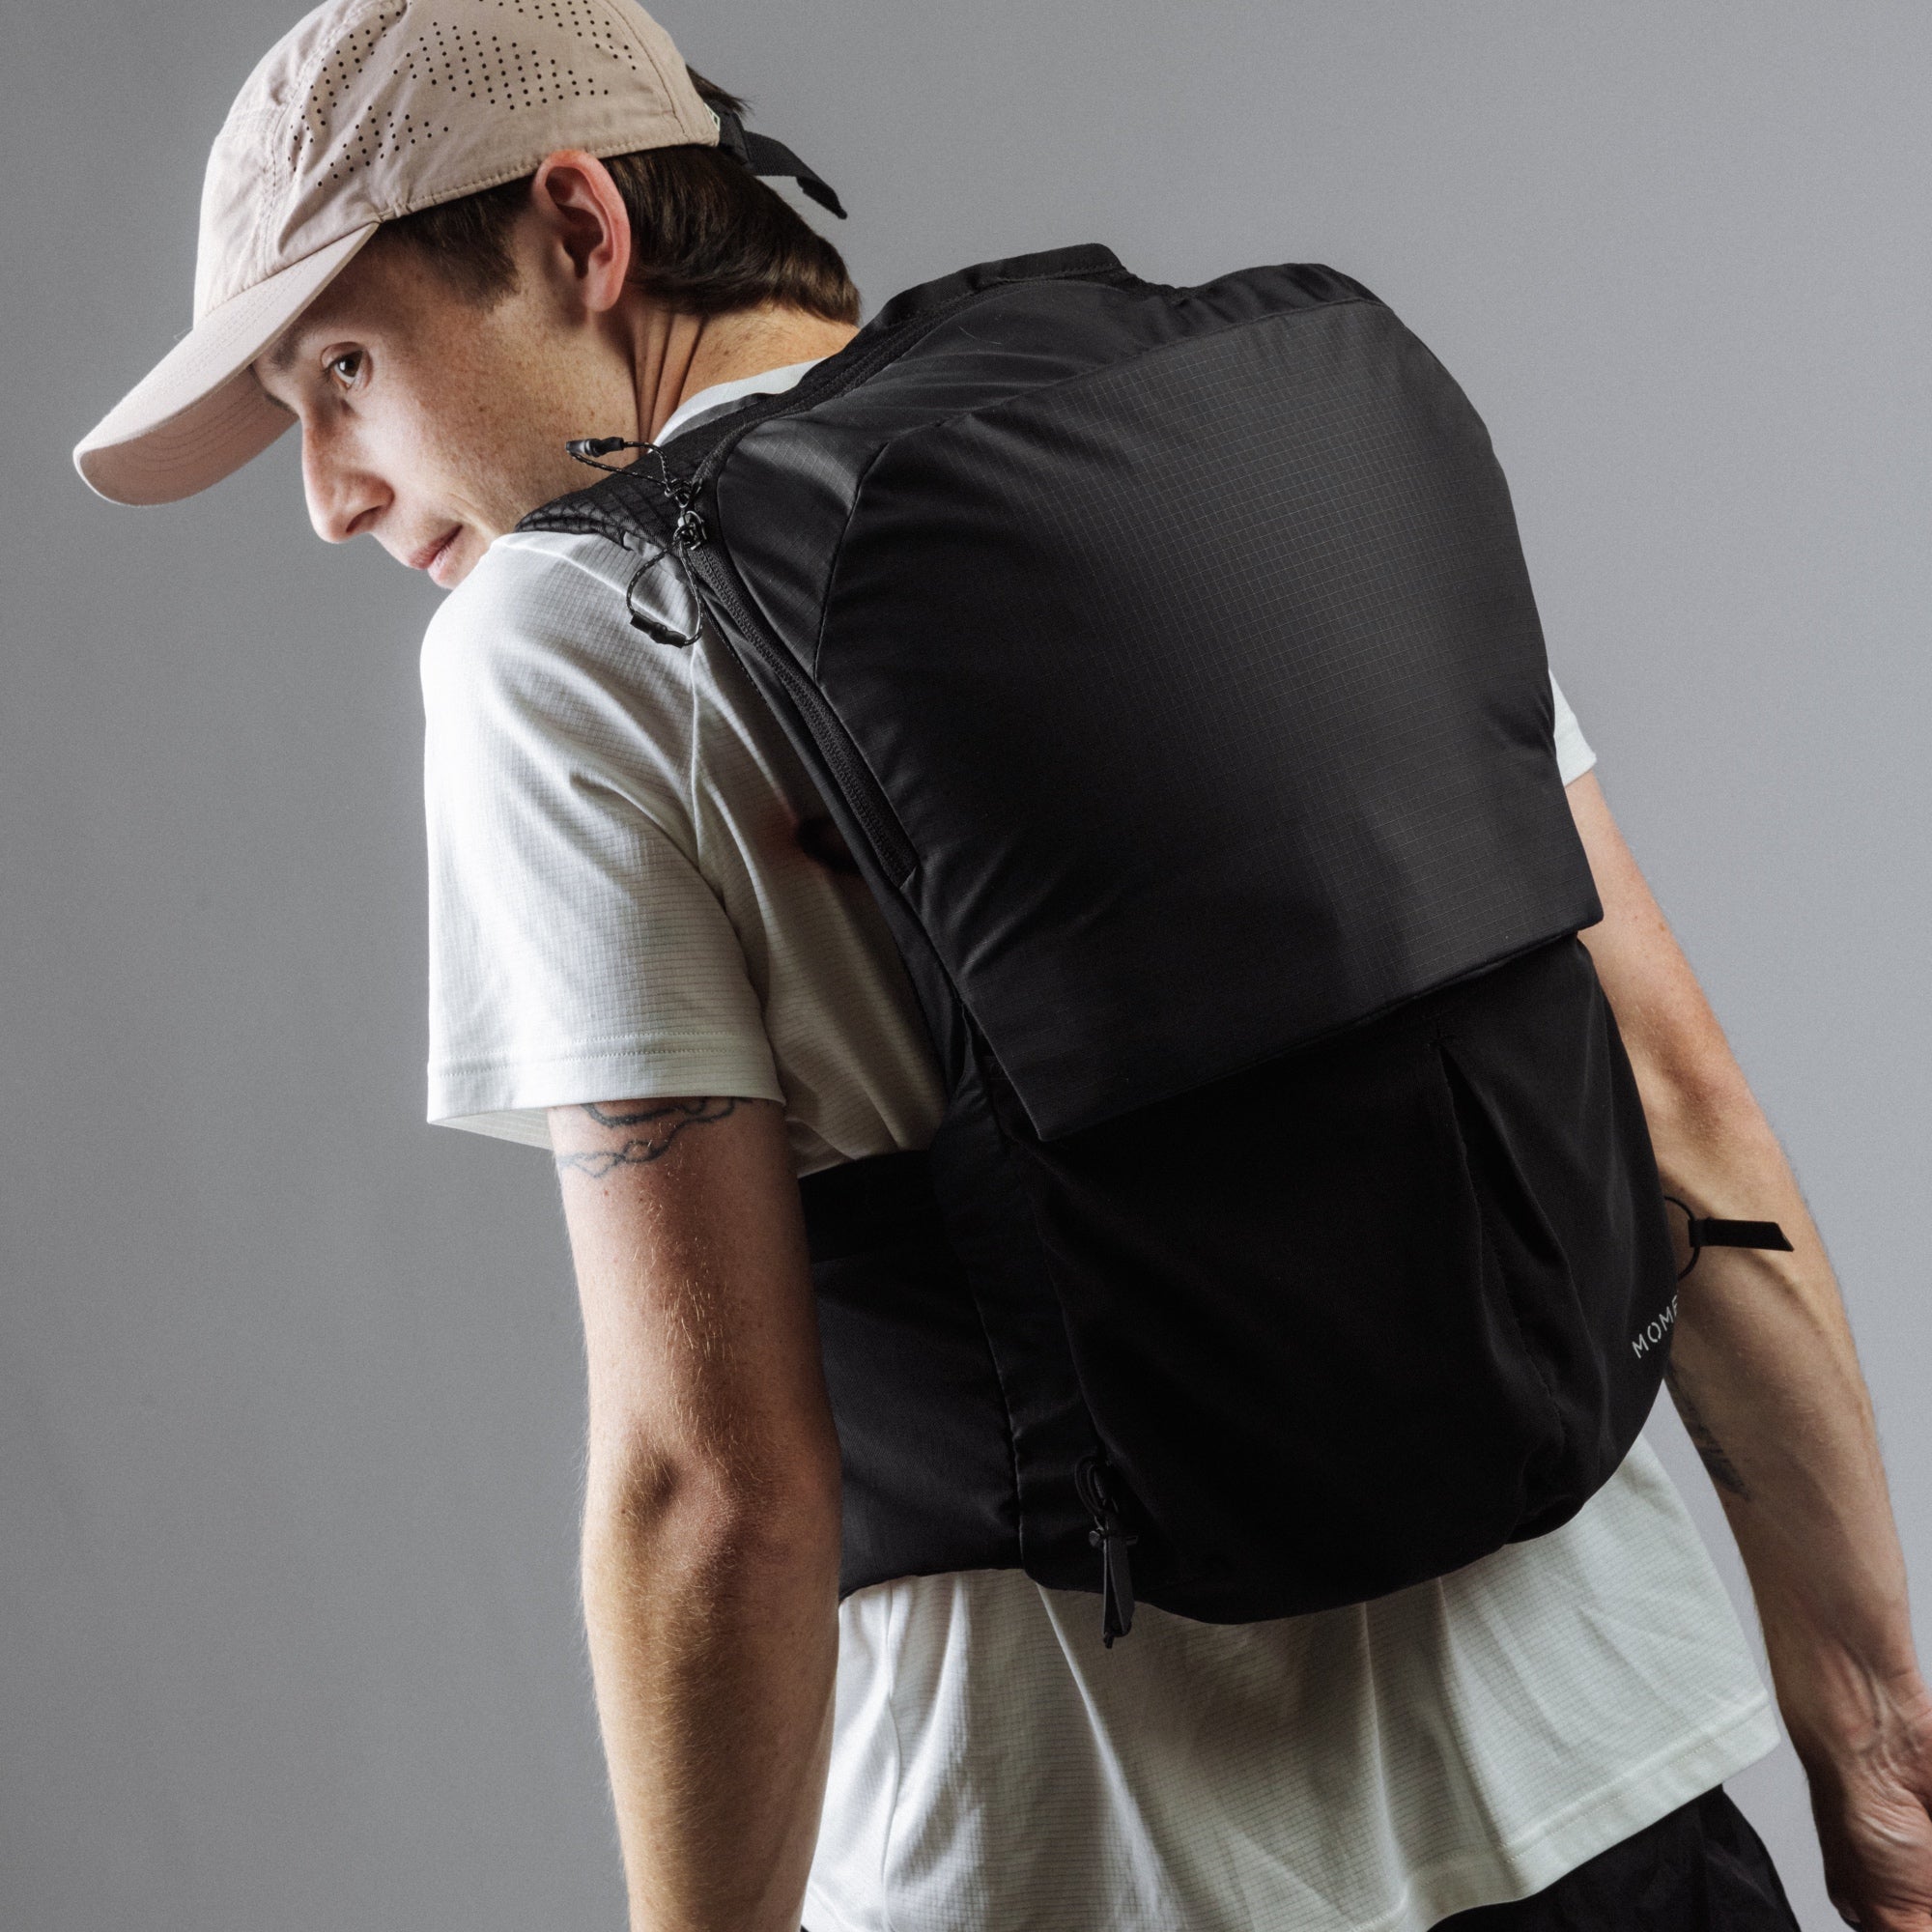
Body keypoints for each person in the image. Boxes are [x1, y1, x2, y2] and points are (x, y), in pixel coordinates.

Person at [73, 2, 1932, 1927]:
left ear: (579, 232)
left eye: (346, 371)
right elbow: (1681, 1110)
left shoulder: (567, 640)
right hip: (1623, 1801)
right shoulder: (1264, 453)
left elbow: (714, 1486)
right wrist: (1876, 1746)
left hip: (1087, 1869)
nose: (331, 493)